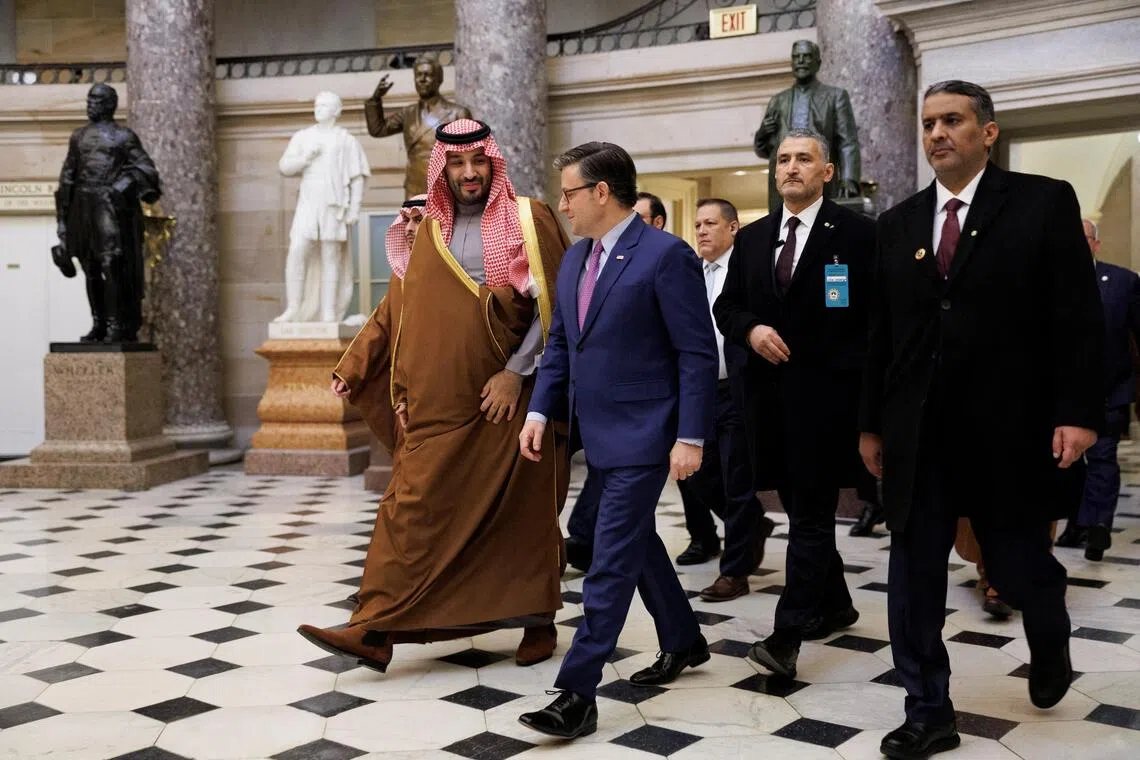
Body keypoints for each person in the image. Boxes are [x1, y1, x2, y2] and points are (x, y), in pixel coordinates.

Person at [859, 80, 1103, 759]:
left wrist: (1078, 413)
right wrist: (871, 424)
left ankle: (1049, 631)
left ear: (987, 132)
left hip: (1009, 432)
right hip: (918, 436)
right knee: (912, 578)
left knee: (1021, 570)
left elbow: (1077, 319)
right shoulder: (899, 224)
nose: (938, 133)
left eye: (954, 120)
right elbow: (882, 334)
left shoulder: (1042, 202)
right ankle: (928, 710)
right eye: (929, 122)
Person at [298, 119, 572, 672]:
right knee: (409, 511)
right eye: (457, 163)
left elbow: (554, 307)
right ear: (442, 169)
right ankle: (374, 628)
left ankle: (537, 618)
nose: (469, 173)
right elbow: (403, 312)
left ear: (493, 163)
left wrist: (516, 374)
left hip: (505, 404)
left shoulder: (526, 217)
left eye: (478, 162)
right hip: (437, 408)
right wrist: (374, 371)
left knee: (519, 515)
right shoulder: (422, 229)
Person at [516, 141, 718, 739]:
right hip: (596, 434)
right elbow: (561, 346)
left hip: (646, 434)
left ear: (601, 192)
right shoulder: (576, 259)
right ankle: (683, 638)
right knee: (636, 544)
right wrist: (538, 411)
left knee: (607, 557)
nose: (564, 204)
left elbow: (696, 352)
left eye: (570, 193)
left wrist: (690, 435)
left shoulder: (664, 256)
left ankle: (577, 693)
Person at [714, 129, 873, 678]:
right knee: (803, 509)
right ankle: (838, 603)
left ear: (826, 172)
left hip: (827, 407)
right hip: (767, 407)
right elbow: (727, 308)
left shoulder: (857, 235)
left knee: (809, 518)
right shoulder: (755, 240)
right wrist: (752, 328)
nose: (791, 167)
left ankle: (785, 637)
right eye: (783, 159)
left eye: (804, 159)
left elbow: (873, 323)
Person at [684, 198, 776, 602]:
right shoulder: (692, 273)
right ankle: (753, 522)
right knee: (699, 475)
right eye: (698, 224)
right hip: (701, 391)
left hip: (740, 388)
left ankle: (734, 571)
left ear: (733, 228)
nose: (701, 231)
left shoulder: (749, 271)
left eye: (710, 224)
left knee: (737, 479)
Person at [1055, 219, 1140, 561]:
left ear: (1096, 244)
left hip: (1111, 389)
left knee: (1103, 457)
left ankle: (1097, 528)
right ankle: (1076, 524)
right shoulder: (1051, 282)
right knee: (1069, 460)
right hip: (1063, 394)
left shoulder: (1123, 282)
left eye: (1083, 239)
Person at [54, 83, 161, 343]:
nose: (90, 105)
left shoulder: (123, 137)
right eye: (89, 100)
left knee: (111, 263)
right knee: (90, 266)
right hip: (82, 204)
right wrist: (62, 220)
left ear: (110, 105)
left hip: (109, 206)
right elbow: (68, 176)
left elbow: (146, 169)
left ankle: (117, 324)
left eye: (97, 100)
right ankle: (98, 323)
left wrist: (122, 185)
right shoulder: (78, 137)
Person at [273, 91, 370, 323]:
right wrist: (305, 158)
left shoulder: (346, 140)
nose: (318, 108)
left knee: (330, 256)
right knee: (298, 249)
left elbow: (358, 176)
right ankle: (294, 307)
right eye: (317, 104)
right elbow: (285, 167)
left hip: (334, 203)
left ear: (336, 111)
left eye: (324, 105)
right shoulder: (303, 137)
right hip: (309, 202)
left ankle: (328, 311)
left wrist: (354, 208)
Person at [754, 40, 860, 215]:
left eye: (807, 57)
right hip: (784, 184)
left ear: (818, 63)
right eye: (796, 57)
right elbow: (764, 150)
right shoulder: (778, 101)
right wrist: (763, 133)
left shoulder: (835, 96)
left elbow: (847, 141)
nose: (801, 61)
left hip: (817, 179)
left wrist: (849, 178)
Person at [366, 53, 472, 197]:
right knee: (415, 220)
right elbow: (378, 130)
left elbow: (469, 154)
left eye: (427, 75)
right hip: (414, 185)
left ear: (439, 79)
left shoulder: (457, 113)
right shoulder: (407, 113)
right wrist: (375, 99)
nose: (422, 79)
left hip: (446, 185)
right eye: (418, 75)